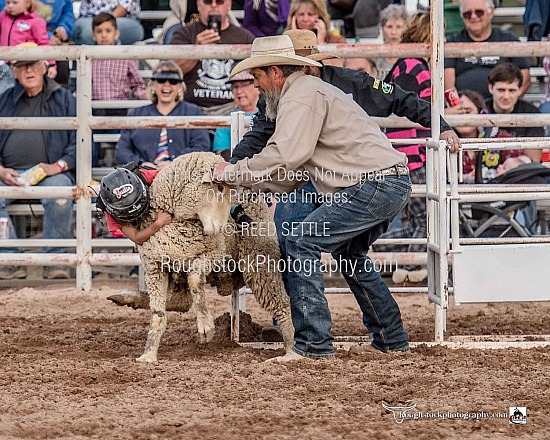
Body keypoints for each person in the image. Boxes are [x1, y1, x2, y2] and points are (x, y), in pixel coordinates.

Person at [228, 29, 460, 348]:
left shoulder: (302, 95)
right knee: (348, 254)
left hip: (367, 183)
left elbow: (286, 155)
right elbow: (291, 163)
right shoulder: (303, 93)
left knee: (299, 241)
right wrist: (241, 178)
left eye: (256, 74)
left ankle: (312, 344)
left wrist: (233, 173)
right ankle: (390, 338)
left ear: (276, 70)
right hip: (372, 180)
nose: (254, 83)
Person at [0, 54, 75, 280]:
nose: (28, 71)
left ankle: (55, 261)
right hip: (8, 173)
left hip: (51, 172)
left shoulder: (64, 99)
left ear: (44, 67)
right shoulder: (4, 100)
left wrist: (58, 166)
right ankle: (10, 259)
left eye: (33, 64)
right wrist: (1, 170)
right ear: (13, 72)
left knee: (61, 194)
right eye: (21, 66)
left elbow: (82, 144)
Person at [374, 11, 432, 284]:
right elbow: (416, 111)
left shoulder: (402, 65)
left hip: (403, 150)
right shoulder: (415, 67)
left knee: (414, 216)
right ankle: (407, 264)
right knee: (423, 215)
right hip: (414, 152)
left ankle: (390, 254)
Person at [115, 61, 211, 167]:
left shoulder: (194, 113)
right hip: (143, 176)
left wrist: (175, 163)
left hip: (182, 176)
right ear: (152, 84)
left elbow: (201, 146)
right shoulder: (136, 115)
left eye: (173, 81)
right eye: (161, 80)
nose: (167, 84)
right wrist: (141, 164)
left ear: (180, 85)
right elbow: (122, 151)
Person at [170, 0, 255, 114]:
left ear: (229, 4)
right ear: (198, 5)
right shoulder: (183, 34)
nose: (214, 5)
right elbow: (172, 72)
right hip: (191, 108)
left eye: (219, 1)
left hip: (232, 108)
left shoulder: (245, 38)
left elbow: (256, 78)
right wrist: (197, 50)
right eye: (207, 1)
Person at [91, 12, 147, 167]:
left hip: (119, 110)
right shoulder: (89, 57)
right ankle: (91, 171)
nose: (104, 36)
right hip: (95, 110)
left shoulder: (125, 56)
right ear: (93, 35)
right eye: (99, 32)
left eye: (108, 31)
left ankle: (122, 174)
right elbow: (82, 86)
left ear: (116, 34)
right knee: (90, 143)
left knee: (122, 146)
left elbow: (137, 84)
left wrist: (142, 93)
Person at [444, 0, 531, 99]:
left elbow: (525, 79)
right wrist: (460, 108)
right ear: (462, 17)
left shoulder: (509, 40)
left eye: (479, 12)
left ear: (491, 12)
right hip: (465, 109)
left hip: (502, 109)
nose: (473, 17)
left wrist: (507, 104)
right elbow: (448, 87)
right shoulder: (453, 43)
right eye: (467, 14)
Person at [0, 0, 73, 86]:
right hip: (4, 63)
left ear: (27, 4)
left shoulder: (36, 22)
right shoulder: (3, 17)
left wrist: (52, 64)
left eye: (15, 3)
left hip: (25, 65)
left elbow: (44, 44)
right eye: (8, 3)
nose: (10, 6)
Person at [98, 165, 172, 245]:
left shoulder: (146, 175)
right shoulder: (110, 210)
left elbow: (171, 176)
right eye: (125, 209)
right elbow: (136, 238)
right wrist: (158, 223)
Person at [212, 70, 259, 160]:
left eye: (244, 85)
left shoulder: (270, 114)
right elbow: (221, 153)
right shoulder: (226, 120)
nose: (239, 91)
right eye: (235, 87)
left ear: (257, 86)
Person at [285, 0, 344, 67]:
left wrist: (321, 45)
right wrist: (294, 39)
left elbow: (335, 71)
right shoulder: (283, 42)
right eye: (301, 14)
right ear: (294, 17)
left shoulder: (337, 41)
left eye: (310, 14)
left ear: (320, 17)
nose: (305, 19)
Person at [72, 0, 144, 45]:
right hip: (88, 18)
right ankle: (82, 68)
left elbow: (127, 4)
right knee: (86, 31)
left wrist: (106, 20)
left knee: (91, 31)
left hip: (121, 18)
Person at [375, 3, 407, 80]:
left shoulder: (413, 59)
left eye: (398, 27)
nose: (393, 32)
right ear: (382, 29)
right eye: (389, 26)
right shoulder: (374, 59)